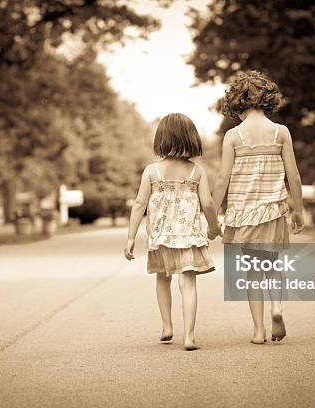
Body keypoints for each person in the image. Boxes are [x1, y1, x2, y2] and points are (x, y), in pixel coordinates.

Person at [212, 71, 304, 344]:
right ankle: (277, 308)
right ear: (267, 100)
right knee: (272, 265)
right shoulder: (281, 132)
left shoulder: (233, 136)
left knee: (252, 270)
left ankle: (258, 331)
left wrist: (213, 216)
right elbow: (294, 175)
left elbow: (221, 179)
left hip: (244, 214)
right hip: (274, 210)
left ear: (237, 103)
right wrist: (298, 209)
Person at [124, 113, 222, 351]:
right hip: (187, 237)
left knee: (162, 278)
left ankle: (167, 326)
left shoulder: (152, 172)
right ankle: (188, 336)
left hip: (161, 238)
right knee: (188, 284)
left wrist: (130, 237)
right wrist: (213, 226)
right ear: (191, 139)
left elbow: (139, 204)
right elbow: (208, 203)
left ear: (162, 139)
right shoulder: (196, 172)